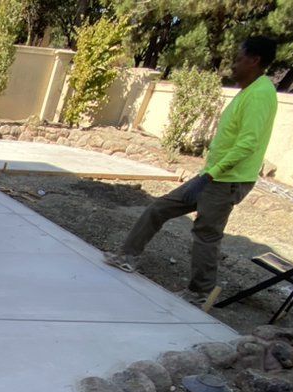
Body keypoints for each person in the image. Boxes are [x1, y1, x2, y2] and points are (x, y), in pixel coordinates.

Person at [105, 36, 279, 305]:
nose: (233, 65)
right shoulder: (251, 90)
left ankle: (200, 293)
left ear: (254, 60)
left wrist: (210, 174)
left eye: (238, 58)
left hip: (225, 180)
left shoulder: (260, 94)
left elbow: (248, 143)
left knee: (206, 233)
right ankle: (127, 256)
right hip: (213, 175)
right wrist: (207, 173)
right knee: (160, 208)